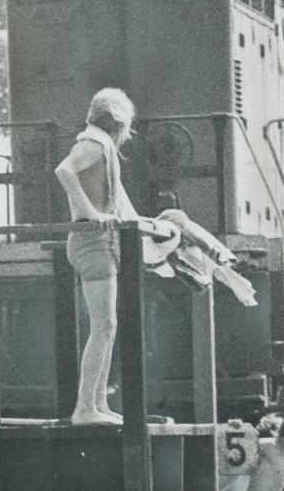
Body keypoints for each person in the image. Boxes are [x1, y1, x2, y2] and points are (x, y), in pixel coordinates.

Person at [55, 88, 187, 425]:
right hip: (92, 243)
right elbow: (64, 171)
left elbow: (121, 208)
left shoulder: (105, 148)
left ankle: (98, 404)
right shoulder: (94, 143)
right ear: (120, 123)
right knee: (104, 325)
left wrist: (155, 226)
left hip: (103, 242)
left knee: (106, 325)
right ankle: (85, 408)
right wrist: (88, 214)